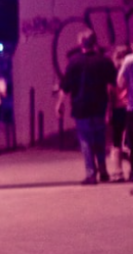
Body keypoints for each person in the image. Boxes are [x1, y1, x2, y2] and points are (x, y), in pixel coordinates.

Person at [55, 30, 117, 185]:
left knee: (86, 141)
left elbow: (66, 86)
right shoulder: (104, 61)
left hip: (81, 107)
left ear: (81, 43)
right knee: (100, 139)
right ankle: (103, 170)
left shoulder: (74, 62)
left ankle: (91, 174)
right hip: (100, 106)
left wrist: (60, 103)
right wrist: (111, 106)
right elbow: (113, 84)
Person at [109, 45, 130, 181]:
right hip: (130, 107)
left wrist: (108, 111)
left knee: (116, 141)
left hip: (118, 108)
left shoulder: (114, 73)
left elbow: (110, 92)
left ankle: (118, 171)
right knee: (130, 141)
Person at [114, 46, 133, 182]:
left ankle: (122, 172)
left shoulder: (128, 62)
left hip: (128, 108)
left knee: (126, 143)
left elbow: (120, 83)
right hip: (127, 107)